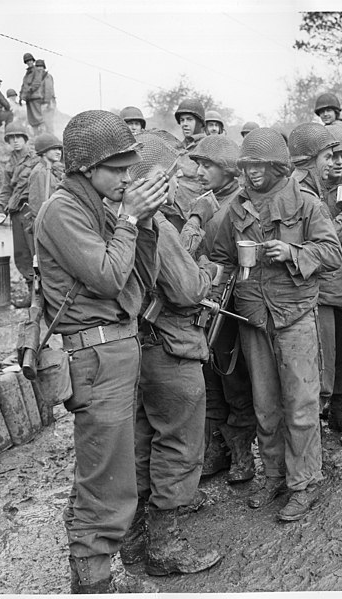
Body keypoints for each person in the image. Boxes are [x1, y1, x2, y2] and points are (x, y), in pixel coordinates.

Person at [35, 109, 164, 593]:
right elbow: (109, 278)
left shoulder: (99, 209)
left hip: (114, 350)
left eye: (130, 169)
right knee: (103, 474)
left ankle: (99, 571)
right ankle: (93, 583)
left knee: (113, 467)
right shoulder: (64, 210)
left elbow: (140, 281)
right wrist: (130, 218)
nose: (127, 179)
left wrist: (144, 224)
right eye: (117, 170)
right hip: (95, 354)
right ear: (86, 168)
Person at [210, 127, 342, 521]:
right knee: (266, 406)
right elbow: (221, 255)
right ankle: (274, 476)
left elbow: (332, 254)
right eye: (247, 166)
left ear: (279, 166)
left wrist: (291, 251)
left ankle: (305, 482)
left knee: (300, 405)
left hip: (295, 314)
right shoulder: (236, 207)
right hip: (253, 316)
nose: (252, 174)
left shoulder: (306, 204)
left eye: (260, 166)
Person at [115, 131, 222, 576]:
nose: (179, 185)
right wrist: (208, 271)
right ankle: (165, 546)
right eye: (174, 177)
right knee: (179, 444)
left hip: (136, 346)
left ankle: (135, 540)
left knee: (143, 442)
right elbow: (186, 289)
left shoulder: (115, 219)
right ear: (158, 180)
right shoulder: (157, 226)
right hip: (171, 347)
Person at [188, 135, 257, 482]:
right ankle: (218, 447)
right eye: (198, 165)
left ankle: (243, 451)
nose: (200, 172)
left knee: (234, 378)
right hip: (204, 300)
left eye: (207, 165)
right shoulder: (203, 203)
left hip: (233, 301)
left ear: (229, 169)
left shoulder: (243, 203)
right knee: (209, 377)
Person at [289, 122, 342, 432]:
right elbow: (320, 241)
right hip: (318, 282)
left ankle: (339, 406)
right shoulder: (307, 191)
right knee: (320, 354)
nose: (338, 163)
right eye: (332, 156)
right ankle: (315, 424)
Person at [0, 122, 39, 307]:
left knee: (36, 251)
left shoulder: (36, 159)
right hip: (16, 213)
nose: (15, 141)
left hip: (32, 210)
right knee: (21, 254)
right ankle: (33, 294)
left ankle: (45, 295)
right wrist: (1, 206)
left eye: (18, 137)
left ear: (25, 139)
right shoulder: (9, 164)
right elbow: (6, 188)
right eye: (11, 138)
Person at [173, 98, 207, 213]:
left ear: (199, 122)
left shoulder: (207, 146)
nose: (184, 124)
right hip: (175, 210)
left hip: (195, 212)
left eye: (189, 120)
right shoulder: (178, 147)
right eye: (182, 120)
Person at [27, 133, 64, 216]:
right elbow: (37, 205)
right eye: (54, 149)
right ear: (43, 152)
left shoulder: (51, 170)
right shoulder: (40, 172)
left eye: (59, 149)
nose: (58, 152)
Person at [36, 59, 56, 133]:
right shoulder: (38, 77)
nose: (39, 68)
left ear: (44, 67)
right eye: (37, 66)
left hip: (48, 103)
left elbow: (48, 89)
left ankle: (51, 138)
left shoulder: (47, 76)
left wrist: (47, 102)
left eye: (41, 66)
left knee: (48, 122)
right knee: (43, 122)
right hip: (42, 103)